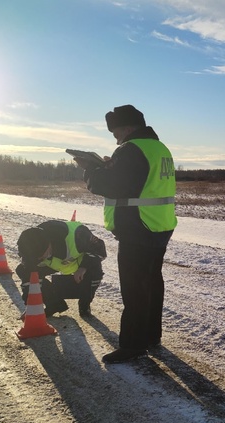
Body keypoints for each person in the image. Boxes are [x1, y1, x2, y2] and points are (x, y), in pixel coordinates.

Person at [73, 104, 177, 364]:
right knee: (151, 282)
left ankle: (133, 345)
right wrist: (112, 166)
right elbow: (140, 182)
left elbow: (113, 186)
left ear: (129, 128)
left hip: (138, 227)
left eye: (116, 132)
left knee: (134, 288)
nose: (115, 137)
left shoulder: (131, 149)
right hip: (159, 225)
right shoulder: (159, 147)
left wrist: (90, 169)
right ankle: (151, 336)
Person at [16, 220, 106, 317]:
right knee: (24, 271)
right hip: (57, 264)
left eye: (41, 256)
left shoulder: (78, 235)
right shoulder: (31, 244)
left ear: (48, 245)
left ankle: (84, 305)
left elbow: (100, 251)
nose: (40, 259)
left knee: (95, 270)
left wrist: (83, 267)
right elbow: (30, 281)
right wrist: (31, 307)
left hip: (80, 263)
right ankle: (54, 304)